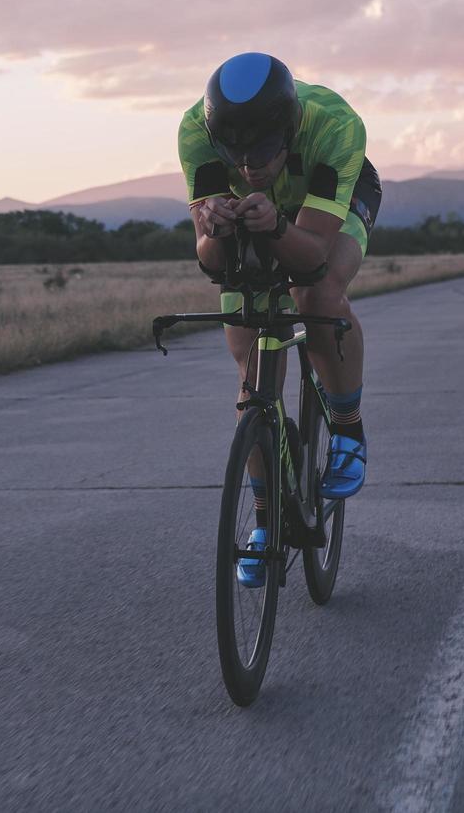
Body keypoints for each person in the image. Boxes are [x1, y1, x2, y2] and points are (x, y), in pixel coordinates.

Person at [177, 52, 382, 585]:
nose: (249, 166)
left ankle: (347, 430)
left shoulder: (334, 124)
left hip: (331, 200)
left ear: (288, 129)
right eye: (235, 153)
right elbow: (213, 267)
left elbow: (312, 256)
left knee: (318, 298)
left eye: (264, 149)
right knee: (249, 364)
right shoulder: (195, 130)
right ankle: (266, 521)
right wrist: (213, 229)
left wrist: (274, 228)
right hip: (259, 215)